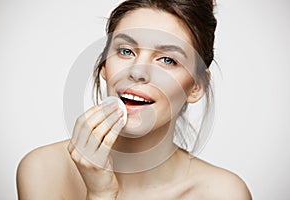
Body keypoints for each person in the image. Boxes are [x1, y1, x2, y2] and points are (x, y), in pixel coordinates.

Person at [16, 0, 252, 199]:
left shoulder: (224, 193)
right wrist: (100, 194)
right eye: (126, 51)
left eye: (168, 60)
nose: (138, 72)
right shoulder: (43, 170)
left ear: (196, 87)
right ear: (104, 69)